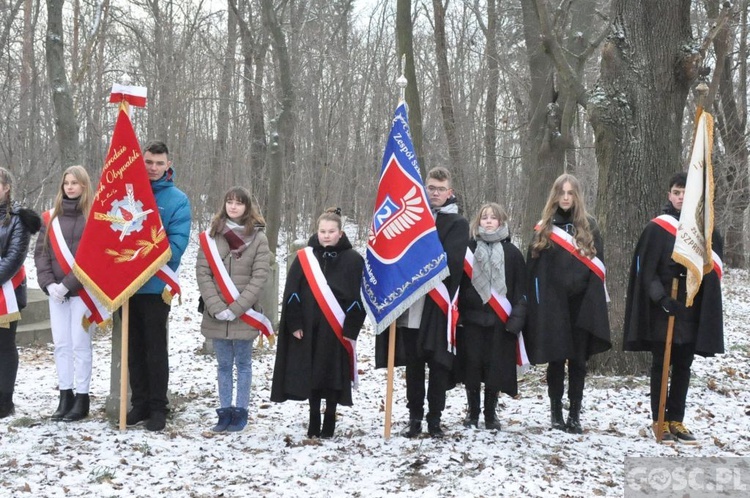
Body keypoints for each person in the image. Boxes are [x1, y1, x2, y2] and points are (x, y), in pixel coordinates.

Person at [624, 171, 723, 444]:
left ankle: (676, 419)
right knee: (661, 364)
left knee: (683, 365)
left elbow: (714, 269)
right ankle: (659, 419)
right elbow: (646, 271)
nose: (680, 197)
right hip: (663, 309)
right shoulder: (658, 228)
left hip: (690, 307)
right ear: (669, 195)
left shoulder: (705, 229)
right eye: (676, 192)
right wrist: (661, 299)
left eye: (685, 193)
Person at [375, 167, 470, 438]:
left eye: (441, 189)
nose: (435, 193)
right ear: (424, 189)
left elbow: (452, 263)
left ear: (449, 192)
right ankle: (414, 418)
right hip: (411, 303)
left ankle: (434, 419)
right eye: (431, 188)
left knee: (438, 364)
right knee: (414, 365)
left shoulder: (458, 224)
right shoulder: (412, 217)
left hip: (438, 305)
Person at [525, 173, 610, 434]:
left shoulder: (590, 227)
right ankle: (555, 412)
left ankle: (574, 413)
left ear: (577, 196)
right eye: (561, 192)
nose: (565, 197)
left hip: (582, 304)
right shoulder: (545, 228)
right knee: (556, 359)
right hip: (553, 307)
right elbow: (534, 270)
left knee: (578, 362)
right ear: (554, 195)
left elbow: (599, 269)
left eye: (571, 192)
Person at [271, 208, 366, 439]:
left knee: (332, 374)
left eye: (331, 231)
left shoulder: (354, 260)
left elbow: (360, 297)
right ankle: (314, 418)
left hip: (336, 329)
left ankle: (330, 417)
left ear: (340, 233)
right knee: (312, 373)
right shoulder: (305, 258)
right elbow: (291, 293)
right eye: (322, 231)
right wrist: (294, 323)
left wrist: (351, 328)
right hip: (309, 327)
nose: (326, 235)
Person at [125, 141, 191, 432]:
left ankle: (157, 407)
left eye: (158, 163)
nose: (153, 168)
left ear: (168, 164)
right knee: (133, 348)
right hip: (126, 285)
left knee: (154, 349)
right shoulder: (127, 195)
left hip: (155, 285)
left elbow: (177, 244)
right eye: (148, 162)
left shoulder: (178, 200)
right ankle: (138, 404)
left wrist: (143, 256)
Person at [196, 187, 270, 433]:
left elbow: (259, 277)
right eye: (229, 202)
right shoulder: (212, 234)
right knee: (223, 365)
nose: (233, 206)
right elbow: (203, 272)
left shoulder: (258, 238)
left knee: (244, 364)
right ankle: (224, 412)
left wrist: (237, 308)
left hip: (244, 313)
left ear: (247, 206)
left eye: (239, 202)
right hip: (216, 313)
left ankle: (241, 412)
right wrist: (217, 307)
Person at [457, 203, 527, 430]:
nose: (488, 221)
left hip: (500, 322)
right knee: (472, 366)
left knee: (495, 368)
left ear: (501, 222)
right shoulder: (466, 250)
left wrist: (515, 322)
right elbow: (457, 287)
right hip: (471, 321)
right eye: (484, 217)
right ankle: (473, 412)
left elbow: (520, 292)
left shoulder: (512, 253)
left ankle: (490, 413)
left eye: (493, 218)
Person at [34, 165, 95, 422]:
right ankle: (65, 394)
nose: (70, 187)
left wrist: (67, 285)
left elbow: (92, 259)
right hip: (56, 294)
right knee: (61, 345)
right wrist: (49, 285)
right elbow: (41, 254)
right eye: (66, 183)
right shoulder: (49, 219)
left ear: (84, 186)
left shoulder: (93, 218)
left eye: (75, 182)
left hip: (81, 293)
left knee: (81, 345)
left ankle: (82, 397)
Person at [0, 167, 42, 418]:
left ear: (6, 187)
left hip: (7, 293)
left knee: (4, 347)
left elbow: (14, 257)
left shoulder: (19, 219)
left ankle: (4, 400)